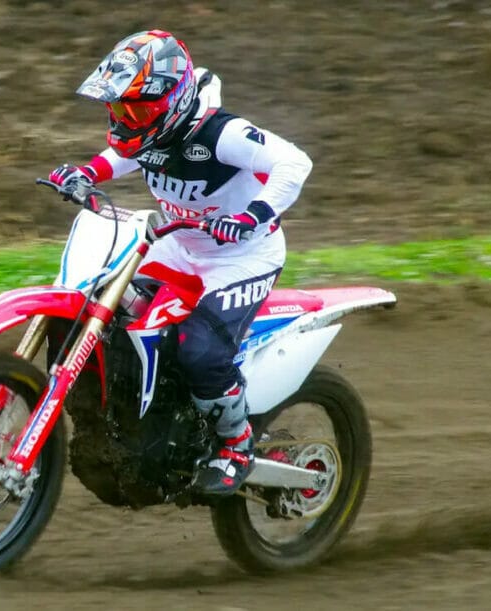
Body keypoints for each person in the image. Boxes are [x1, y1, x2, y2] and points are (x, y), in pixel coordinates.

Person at [49, 29, 313, 495]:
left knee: (201, 349)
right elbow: (129, 153)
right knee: (105, 305)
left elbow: (294, 163)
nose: (126, 120)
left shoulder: (222, 134)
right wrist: (86, 173)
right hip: (180, 245)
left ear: (171, 99)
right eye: (120, 110)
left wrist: (253, 215)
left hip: (243, 256)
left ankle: (236, 445)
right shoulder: (155, 132)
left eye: (137, 110)